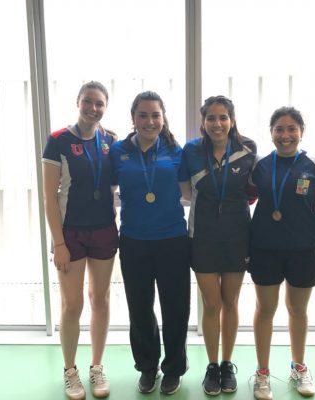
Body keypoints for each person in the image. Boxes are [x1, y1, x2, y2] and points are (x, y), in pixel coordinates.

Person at [248, 106, 315, 400]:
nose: (285, 135)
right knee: (265, 310)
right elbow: (243, 200)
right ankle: (262, 372)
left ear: (302, 132)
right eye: (279, 129)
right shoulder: (260, 166)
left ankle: (298, 367)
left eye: (292, 129)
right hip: (264, 249)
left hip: (303, 250)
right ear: (271, 133)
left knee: (298, 310)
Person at [109, 91, 190, 396]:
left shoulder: (176, 150)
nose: (149, 121)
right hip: (134, 241)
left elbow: (190, 191)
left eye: (155, 115)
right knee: (140, 308)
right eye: (143, 115)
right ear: (133, 118)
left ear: (163, 118)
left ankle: (173, 368)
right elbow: (105, 189)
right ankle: (147, 366)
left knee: (175, 308)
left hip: (172, 240)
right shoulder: (118, 151)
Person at [42, 81, 118, 399]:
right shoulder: (58, 140)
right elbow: (49, 197)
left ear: (105, 107)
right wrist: (58, 243)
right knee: (72, 304)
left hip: (104, 230)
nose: (93, 108)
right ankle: (70, 370)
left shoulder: (110, 141)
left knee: (100, 299)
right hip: (70, 233)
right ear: (78, 103)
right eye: (88, 101)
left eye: (99, 103)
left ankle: (96, 366)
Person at [178, 95, 256, 395]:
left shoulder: (248, 149)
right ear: (203, 122)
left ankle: (226, 363)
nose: (217, 123)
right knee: (212, 304)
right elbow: (186, 191)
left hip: (238, 235)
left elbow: (252, 191)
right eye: (211, 118)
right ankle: (212, 366)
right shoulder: (191, 150)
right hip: (203, 236)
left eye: (223, 117)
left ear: (232, 121)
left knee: (231, 302)